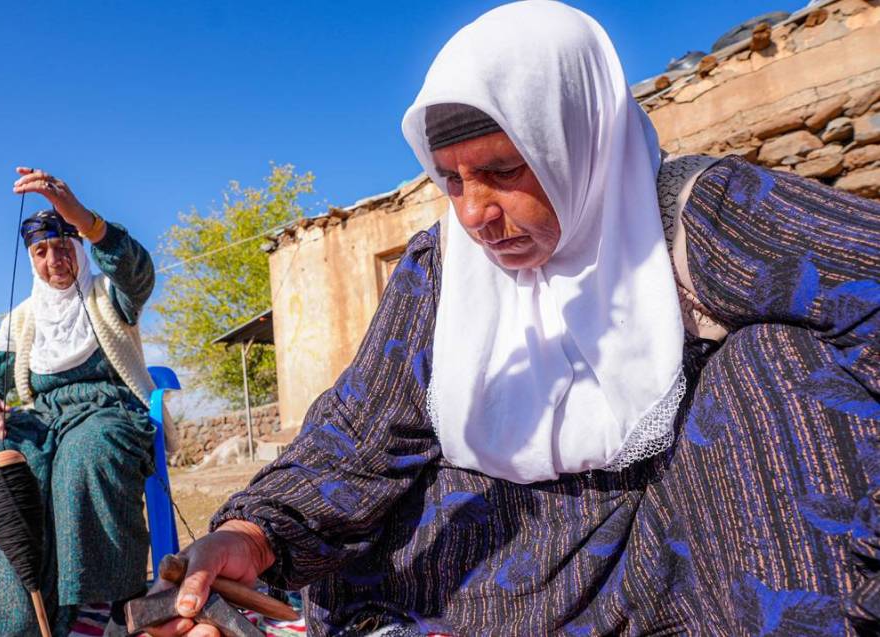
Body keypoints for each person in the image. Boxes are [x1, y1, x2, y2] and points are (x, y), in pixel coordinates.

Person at [145, 2, 880, 636]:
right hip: (474, 592)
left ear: (577, 142)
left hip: (676, 581)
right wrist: (250, 532)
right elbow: (357, 433)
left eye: (502, 171)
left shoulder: (709, 219)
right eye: (451, 180)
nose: (475, 214)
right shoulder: (440, 273)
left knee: (776, 364)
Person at [0, 168, 161, 636]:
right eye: (40, 251)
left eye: (64, 245)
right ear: (31, 260)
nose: (53, 258)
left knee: (85, 457)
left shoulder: (108, 294)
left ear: (81, 248)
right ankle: (5, 616)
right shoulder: (24, 318)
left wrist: (83, 217)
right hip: (43, 419)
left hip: (109, 410)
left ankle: (96, 606)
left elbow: (137, 271)